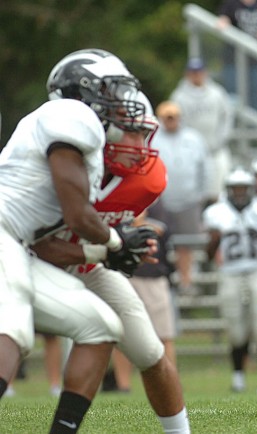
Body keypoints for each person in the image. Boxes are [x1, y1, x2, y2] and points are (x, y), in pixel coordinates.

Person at [0, 48, 155, 432]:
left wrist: (99, 249)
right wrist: (115, 243)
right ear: (87, 90)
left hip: (15, 245)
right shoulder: (74, 114)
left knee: (100, 324)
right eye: (114, 90)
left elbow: (49, 237)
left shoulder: (85, 136)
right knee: (14, 329)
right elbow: (77, 215)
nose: (123, 102)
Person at [32, 90, 191, 432]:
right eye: (129, 131)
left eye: (142, 132)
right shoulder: (51, 166)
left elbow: (105, 229)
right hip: (31, 264)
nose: (140, 143)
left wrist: (123, 246)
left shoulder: (146, 177)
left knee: (150, 351)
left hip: (89, 265)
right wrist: (110, 248)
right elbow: (41, 245)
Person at [203, 168, 257, 392]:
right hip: (229, 272)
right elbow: (208, 254)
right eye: (235, 189)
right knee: (236, 329)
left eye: (243, 189)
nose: (239, 193)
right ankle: (238, 376)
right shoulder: (216, 212)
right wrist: (213, 240)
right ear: (228, 190)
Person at [111, 209, 179, 392]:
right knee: (122, 335)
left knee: (164, 335)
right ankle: (123, 385)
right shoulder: (118, 228)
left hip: (155, 281)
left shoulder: (159, 228)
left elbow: (169, 259)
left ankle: (169, 383)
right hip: (127, 280)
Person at [151, 100, 211, 294]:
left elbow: (204, 166)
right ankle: (163, 279)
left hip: (188, 200)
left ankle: (185, 281)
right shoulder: (153, 139)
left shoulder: (193, 138)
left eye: (173, 117)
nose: (171, 121)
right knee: (159, 240)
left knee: (186, 244)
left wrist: (200, 195)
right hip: (161, 201)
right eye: (167, 118)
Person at [170, 57, 234, 205]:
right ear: (187, 74)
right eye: (193, 72)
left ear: (205, 73)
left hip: (216, 149)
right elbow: (178, 123)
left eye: (199, 72)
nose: (196, 75)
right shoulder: (179, 96)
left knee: (221, 186)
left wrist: (222, 138)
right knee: (195, 193)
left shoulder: (217, 92)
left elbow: (227, 116)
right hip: (191, 153)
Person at [217, 0, 257, 110]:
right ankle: (234, 122)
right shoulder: (231, 4)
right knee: (233, 92)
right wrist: (224, 24)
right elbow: (222, 20)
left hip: (254, 58)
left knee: (254, 94)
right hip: (233, 59)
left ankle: (253, 125)